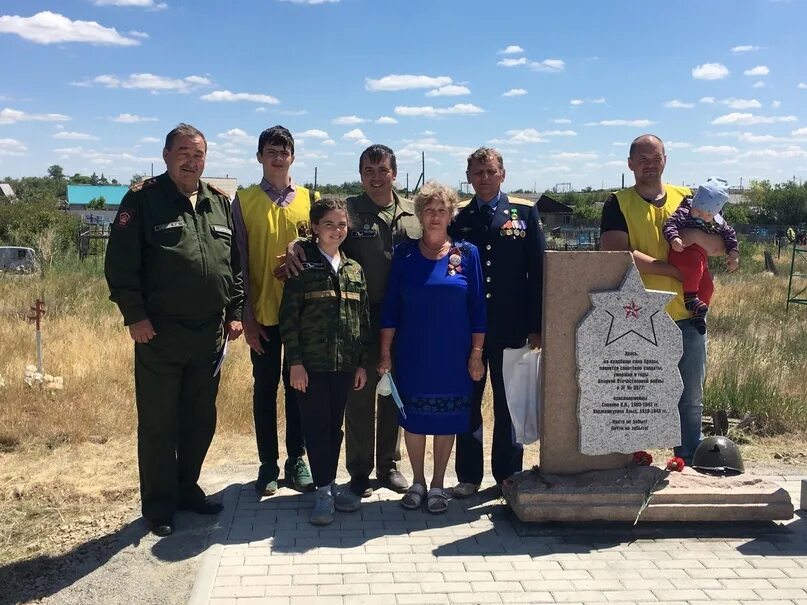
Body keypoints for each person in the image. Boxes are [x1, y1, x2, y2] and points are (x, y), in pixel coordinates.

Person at [105, 123, 243, 537]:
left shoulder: (218, 204)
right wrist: (135, 316)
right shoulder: (143, 199)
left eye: (199, 154)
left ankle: (187, 490)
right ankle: (160, 506)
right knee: (160, 422)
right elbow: (120, 265)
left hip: (208, 336)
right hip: (159, 334)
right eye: (183, 152)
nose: (192, 160)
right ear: (166, 155)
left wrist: (234, 311)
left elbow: (233, 266)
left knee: (200, 419)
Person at [286, 144, 420, 498]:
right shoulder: (352, 210)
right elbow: (325, 231)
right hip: (359, 316)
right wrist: (296, 245)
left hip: (404, 319)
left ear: (394, 172)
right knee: (360, 394)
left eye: (383, 170)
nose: (376, 177)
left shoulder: (413, 212)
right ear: (361, 175)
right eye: (368, 171)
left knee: (392, 393)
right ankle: (360, 469)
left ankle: (389, 464)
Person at [600, 134, 727, 463]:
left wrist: (696, 235)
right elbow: (615, 252)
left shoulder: (687, 197)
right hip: (637, 317)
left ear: (666, 159)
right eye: (642, 158)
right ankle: (633, 459)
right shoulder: (618, 202)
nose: (649, 163)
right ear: (630, 164)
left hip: (687, 314)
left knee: (689, 396)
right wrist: (670, 270)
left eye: (655, 156)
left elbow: (720, 245)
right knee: (635, 392)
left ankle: (686, 459)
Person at [379, 181, 486, 513]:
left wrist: (476, 354)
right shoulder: (404, 254)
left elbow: (478, 308)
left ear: (451, 214)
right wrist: (385, 351)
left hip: (454, 356)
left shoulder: (467, 254)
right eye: (429, 210)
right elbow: (390, 307)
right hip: (412, 354)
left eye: (442, 210)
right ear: (419, 214)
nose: (436, 216)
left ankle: (438, 484)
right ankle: (418, 482)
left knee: (447, 419)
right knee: (413, 420)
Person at [448, 147, 545, 498]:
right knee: (467, 402)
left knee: (509, 405)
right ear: (469, 176)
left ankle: (508, 475)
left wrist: (537, 326)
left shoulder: (523, 212)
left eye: (490, 171)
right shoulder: (457, 217)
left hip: (512, 326)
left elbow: (538, 272)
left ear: (502, 173)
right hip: (468, 327)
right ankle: (468, 476)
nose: (484, 178)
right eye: (477, 172)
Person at [232, 125, 315, 496]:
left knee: (298, 388)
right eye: (271, 151)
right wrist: (244, 313)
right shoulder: (244, 199)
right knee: (264, 389)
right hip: (261, 312)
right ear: (260, 157)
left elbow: (323, 247)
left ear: (293, 157)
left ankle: (297, 459)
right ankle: (268, 463)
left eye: (284, 151)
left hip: (302, 315)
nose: (278, 157)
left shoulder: (310, 199)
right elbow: (238, 260)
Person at [279, 197, 371, 525]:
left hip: (345, 365)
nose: (336, 230)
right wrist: (295, 364)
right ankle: (321, 492)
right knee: (316, 428)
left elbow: (363, 320)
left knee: (335, 428)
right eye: (329, 224)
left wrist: (362, 363)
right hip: (312, 366)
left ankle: (330, 485)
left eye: (342, 224)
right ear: (315, 228)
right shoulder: (302, 266)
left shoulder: (354, 270)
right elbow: (289, 318)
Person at [663, 177, 740, 334]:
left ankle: (699, 314)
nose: (700, 217)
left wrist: (734, 254)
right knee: (694, 264)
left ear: (715, 213)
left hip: (701, 261)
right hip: (682, 253)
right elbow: (670, 225)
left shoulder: (717, 220)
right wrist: (674, 238)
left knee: (708, 286)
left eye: (707, 215)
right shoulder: (685, 211)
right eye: (697, 211)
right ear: (695, 203)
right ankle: (690, 299)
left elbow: (730, 235)